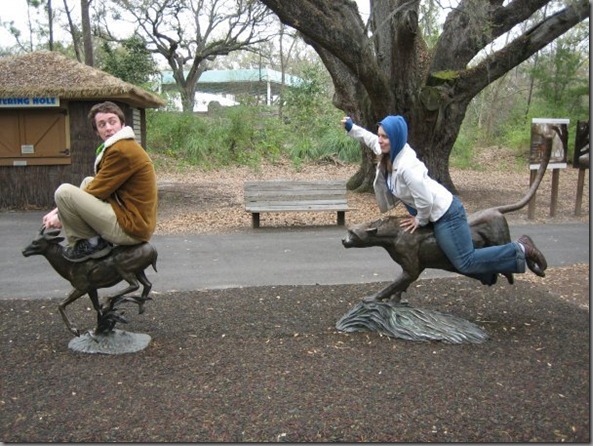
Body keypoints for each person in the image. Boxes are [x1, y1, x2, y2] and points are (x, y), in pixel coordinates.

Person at [341, 115, 547, 285]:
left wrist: (419, 220)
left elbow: (426, 200)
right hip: (432, 213)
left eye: (385, 136)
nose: (380, 140)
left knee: (465, 261)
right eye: (380, 135)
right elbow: (370, 140)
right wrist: (352, 128)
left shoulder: (407, 167)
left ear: (396, 137)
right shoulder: (390, 152)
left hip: (446, 214)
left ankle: (521, 248)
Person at [43, 101, 158, 262]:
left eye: (112, 121)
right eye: (102, 124)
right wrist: (60, 212)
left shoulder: (122, 150)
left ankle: (88, 243)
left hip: (131, 229)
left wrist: (58, 214)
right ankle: (91, 240)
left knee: (64, 192)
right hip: (134, 220)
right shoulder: (121, 146)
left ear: (122, 124)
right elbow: (97, 186)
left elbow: (97, 191)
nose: (108, 128)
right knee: (87, 181)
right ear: (97, 131)